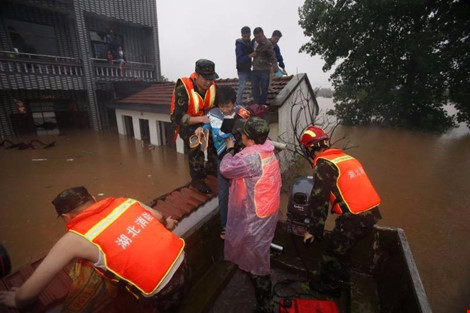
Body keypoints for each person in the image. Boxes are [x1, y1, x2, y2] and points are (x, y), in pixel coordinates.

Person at [0, 186, 190, 313]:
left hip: (161, 290)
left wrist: (17, 301)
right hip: (182, 261)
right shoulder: (125, 202)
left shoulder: (73, 240)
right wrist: (168, 223)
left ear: (66, 217)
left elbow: (28, 293)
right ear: (92, 198)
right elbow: (158, 217)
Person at [299, 126, 382, 297]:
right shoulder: (345, 158)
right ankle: (343, 274)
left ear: (309, 149)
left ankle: (329, 286)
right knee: (343, 245)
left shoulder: (324, 164)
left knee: (331, 250)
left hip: (355, 217)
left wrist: (313, 231)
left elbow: (319, 200)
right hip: (371, 214)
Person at [220, 117, 281, 313]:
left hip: (257, 215)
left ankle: (266, 305)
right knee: (259, 250)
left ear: (251, 139)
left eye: (244, 133)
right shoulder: (268, 149)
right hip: (268, 209)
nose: (241, 135)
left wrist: (230, 149)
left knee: (258, 261)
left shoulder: (250, 159)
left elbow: (226, 169)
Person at [203, 86, 249, 239]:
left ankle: (243, 221)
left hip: (240, 156)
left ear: (234, 103)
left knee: (243, 191)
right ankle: (225, 226)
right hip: (224, 156)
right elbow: (220, 132)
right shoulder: (214, 114)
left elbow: (249, 124)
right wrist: (203, 127)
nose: (224, 109)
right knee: (223, 194)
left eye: (228, 105)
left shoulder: (241, 111)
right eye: (221, 105)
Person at [170, 59, 219, 194]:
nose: (208, 83)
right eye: (205, 79)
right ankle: (197, 180)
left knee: (217, 137)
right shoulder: (183, 89)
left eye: (211, 79)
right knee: (196, 142)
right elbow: (178, 117)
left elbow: (218, 106)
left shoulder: (213, 87)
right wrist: (201, 120)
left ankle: (212, 168)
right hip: (187, 124)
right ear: (196, 75)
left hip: (206, 121)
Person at [251, 27, 279, 105]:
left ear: (263, 35)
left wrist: (275, 68)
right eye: (256, 37)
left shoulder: (268, 44)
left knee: (264, 88)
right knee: (254, 87)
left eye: (259, 37)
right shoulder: (252, 42)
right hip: (255, 69)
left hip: (264, 69)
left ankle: (262, 104)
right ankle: (256, 104)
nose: (258, 39)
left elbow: (273, 57)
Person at [235, 26, 254, 105]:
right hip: (241, 69)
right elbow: (240, 59)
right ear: (241, 35)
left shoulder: (250, 43)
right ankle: (238, 103)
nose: (246, 38)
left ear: (250, 35)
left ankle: (250, 97)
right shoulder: (239, 45)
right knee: (242, 85)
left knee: (255, 81)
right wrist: (250, 56)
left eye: (248, 36)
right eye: (244, 36)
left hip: (248, 69)